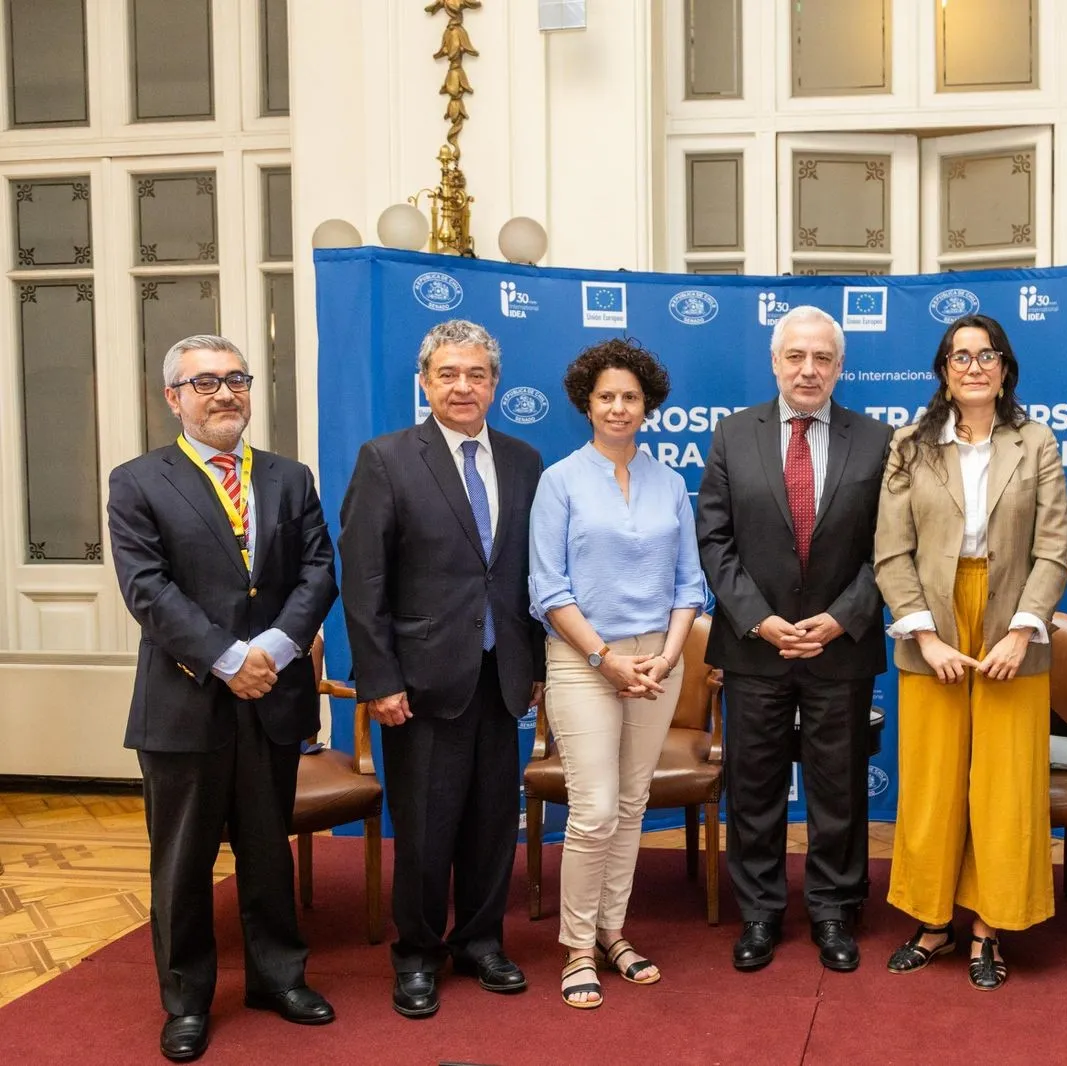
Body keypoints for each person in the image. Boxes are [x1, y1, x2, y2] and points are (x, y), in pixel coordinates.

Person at [107, 334, 338, 1062]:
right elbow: (147, 588)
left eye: (235, 379)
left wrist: (272, 650)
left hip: (273, 697)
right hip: (186, 701)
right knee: (183, 863)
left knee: (268, 851)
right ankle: (186, 1001)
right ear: (172, 397)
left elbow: (318, 569)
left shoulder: (288, 476)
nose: (225, 393)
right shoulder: (139, 480)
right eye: (204, 383)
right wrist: (228, 657)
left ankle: (278, 979)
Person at [339, 319, 544, 1019]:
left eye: (477, 374)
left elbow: (524, 576)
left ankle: (482, 940)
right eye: (449, 374)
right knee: (425, 827)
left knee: (493, 821)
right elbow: (363, 582)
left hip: (501, 674)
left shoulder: (524, 461)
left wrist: (537, 665)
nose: (464, 386)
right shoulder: (387, 459)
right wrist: (380, 679)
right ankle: (419, 953)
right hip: (420, 683)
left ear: (495, 383)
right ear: (424, 382)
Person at [874, 313, 1067, 991]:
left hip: (1013, 613)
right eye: (960, 356)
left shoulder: (1036, 441)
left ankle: (989, 926)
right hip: (934, 615)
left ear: (1006, 368)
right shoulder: (911, 444)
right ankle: (932, 922)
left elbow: (1053, 547)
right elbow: (890, 551)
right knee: (932, 780)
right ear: (944, 371)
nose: (974, 366)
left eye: (987, 355)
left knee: (1004, 783)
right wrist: (924, 635)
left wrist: (1022, 630)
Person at [698, 306, 893, 974]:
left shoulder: (877, 439)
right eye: (796, 357)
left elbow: (891, 547)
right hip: (756, 645)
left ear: (840, 367)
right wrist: (759, 618)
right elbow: (715, 541)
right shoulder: (732, 435)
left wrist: (842, 617)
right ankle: (759, 912)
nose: (808, 370)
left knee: (839, 788)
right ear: (775, 362)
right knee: (753, 786)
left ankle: (834, 910)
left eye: (822, 359)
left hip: (841, 644)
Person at [529, 338, 707, 1008]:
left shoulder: (668, 484)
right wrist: (605, 659)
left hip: (659, 660)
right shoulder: (560, 481)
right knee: (595, 809)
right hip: (583, 660)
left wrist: (664, 656)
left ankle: (612, 931)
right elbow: (547, 589)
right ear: (587, 402)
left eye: (631, 397)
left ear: (648, 405)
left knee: (632, 806)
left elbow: (691, 584)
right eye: (607, 396)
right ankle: (577, 947)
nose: (619, 407)